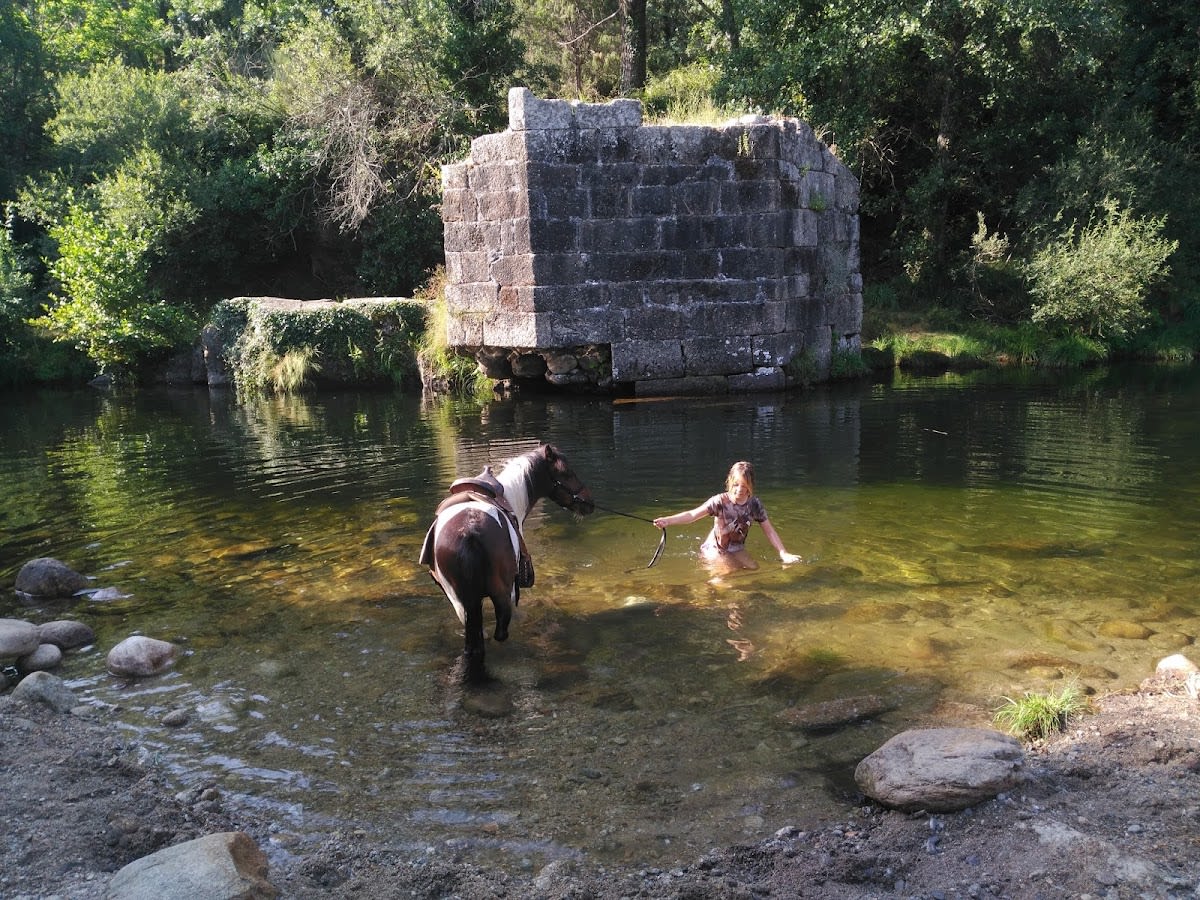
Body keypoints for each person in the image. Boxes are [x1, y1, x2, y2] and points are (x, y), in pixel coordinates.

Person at [652, 461, 802, 572]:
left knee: (753, 569)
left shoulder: (754, 504)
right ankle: (707, 594)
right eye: (736, 485)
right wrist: (668, 521)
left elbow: (769, 530)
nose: (740, 490)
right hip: (715, 548)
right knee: (726, 575)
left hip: (736, 547)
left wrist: (784, 553)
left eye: (745, 486)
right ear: (730, 482)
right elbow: (692, 515)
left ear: (751, 485)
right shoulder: (720, 501)